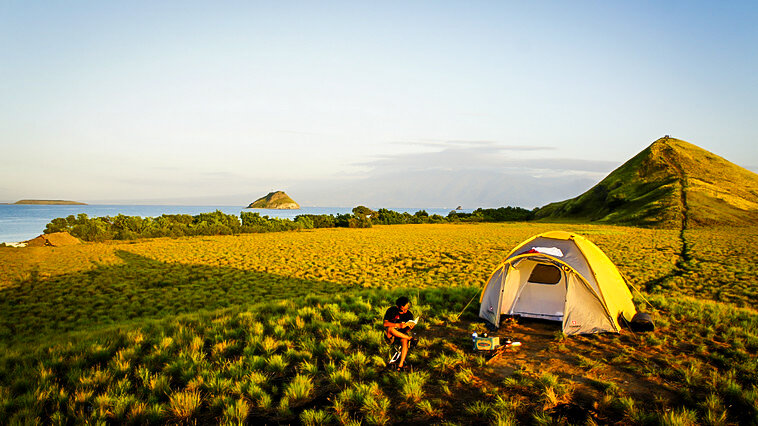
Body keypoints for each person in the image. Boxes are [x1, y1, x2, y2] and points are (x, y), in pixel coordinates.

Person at [383, 296, 417, 370]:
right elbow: (385, 324)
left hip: (401, 334)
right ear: (398, 307)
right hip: (391, 335)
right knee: (390, 328)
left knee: (404, 341)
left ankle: (400, 365)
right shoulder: (391, 310)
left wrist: (409, 328)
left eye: (406, 308)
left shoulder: (408, 314)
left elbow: (406, 331)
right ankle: (410, 338)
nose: (405, 311)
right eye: (403, 309)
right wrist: (397, 325)